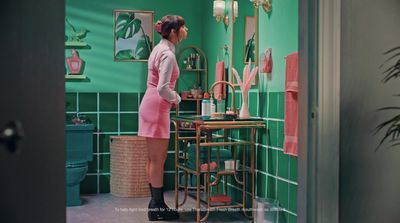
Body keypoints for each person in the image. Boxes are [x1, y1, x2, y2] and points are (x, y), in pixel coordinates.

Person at [138, 15, 188, 221]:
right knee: (159, 159)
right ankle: (157, 206)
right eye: (183, 28)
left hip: (149, 105)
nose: (187, 31)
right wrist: (176, 98)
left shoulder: (158, 49)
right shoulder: (168, 54)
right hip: (158, 107)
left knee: (154, 159)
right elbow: (163, 88)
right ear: (174, 32)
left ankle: (156, 205)